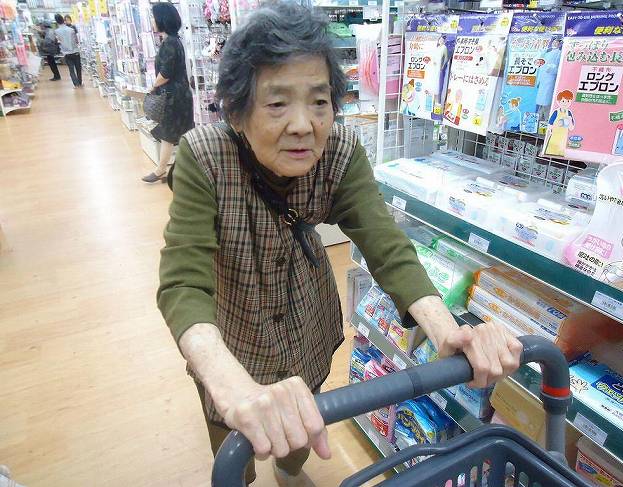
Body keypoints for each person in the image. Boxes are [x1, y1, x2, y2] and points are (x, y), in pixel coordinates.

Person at [156, 3, 521, 486]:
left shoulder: (341, 152)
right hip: (232, 327)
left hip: (305, 317)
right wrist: (229, 385)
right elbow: (182, 281)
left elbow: (386, 246)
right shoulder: (205, 157)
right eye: (277, 103)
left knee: (303, 418)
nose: (303, 124)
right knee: (234, 442)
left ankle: (289, 471)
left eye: (319, 101)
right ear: (237, 112)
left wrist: (447, 329)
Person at [141, 3, 194, 183]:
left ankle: (162, 170)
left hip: (174, 97)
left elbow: (166, 73)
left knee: (169, 134)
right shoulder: (173, 40)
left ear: (162, 19)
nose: (152, 21)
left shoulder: (170, 42)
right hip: (178, 95)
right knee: (173, 134)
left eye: (153, 17)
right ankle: (170, 170)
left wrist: (153, 86)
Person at [54, 14, 82, 88]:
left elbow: (58, 41)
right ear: (64, 21)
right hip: (75, 51)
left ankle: (76, 84)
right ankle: (80, 82)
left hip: (66, 53)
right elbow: (76, 41)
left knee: (71, 69)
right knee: (78, 68)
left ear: (56, 22)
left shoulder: (56, 31)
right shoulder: (71, 30)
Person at [545, 90, 575, 157]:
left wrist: (570, 121)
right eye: (563, 101)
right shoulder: (556, 112)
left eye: (568, 101)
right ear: (559, 101)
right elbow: (550, 124)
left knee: (560, 153)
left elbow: (571, 128)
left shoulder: (569, 113)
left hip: (563, 137)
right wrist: (551, 131)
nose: (565, 103)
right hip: (554, 136)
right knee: (551, 153)